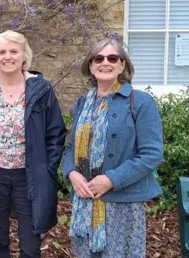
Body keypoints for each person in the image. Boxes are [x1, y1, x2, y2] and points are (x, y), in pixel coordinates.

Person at [0, 30, 66, 258]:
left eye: (14, 51)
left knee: (30, 243)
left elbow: (55, 133)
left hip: (29, 176)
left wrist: (47, 169)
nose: (8, 57)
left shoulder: (40, 90)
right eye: (2, 52)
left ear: (24, 56)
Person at [63, 38, 163, 257]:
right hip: (85, 200)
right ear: (91, 66)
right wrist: (71, 173)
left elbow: (152, 154)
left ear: (122, 65)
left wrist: (111, 180)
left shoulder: (141, 102)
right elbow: (71, 146)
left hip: (122, 204)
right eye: (98, 58)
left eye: (112, 58)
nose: (105, 63)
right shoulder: (83, 103)